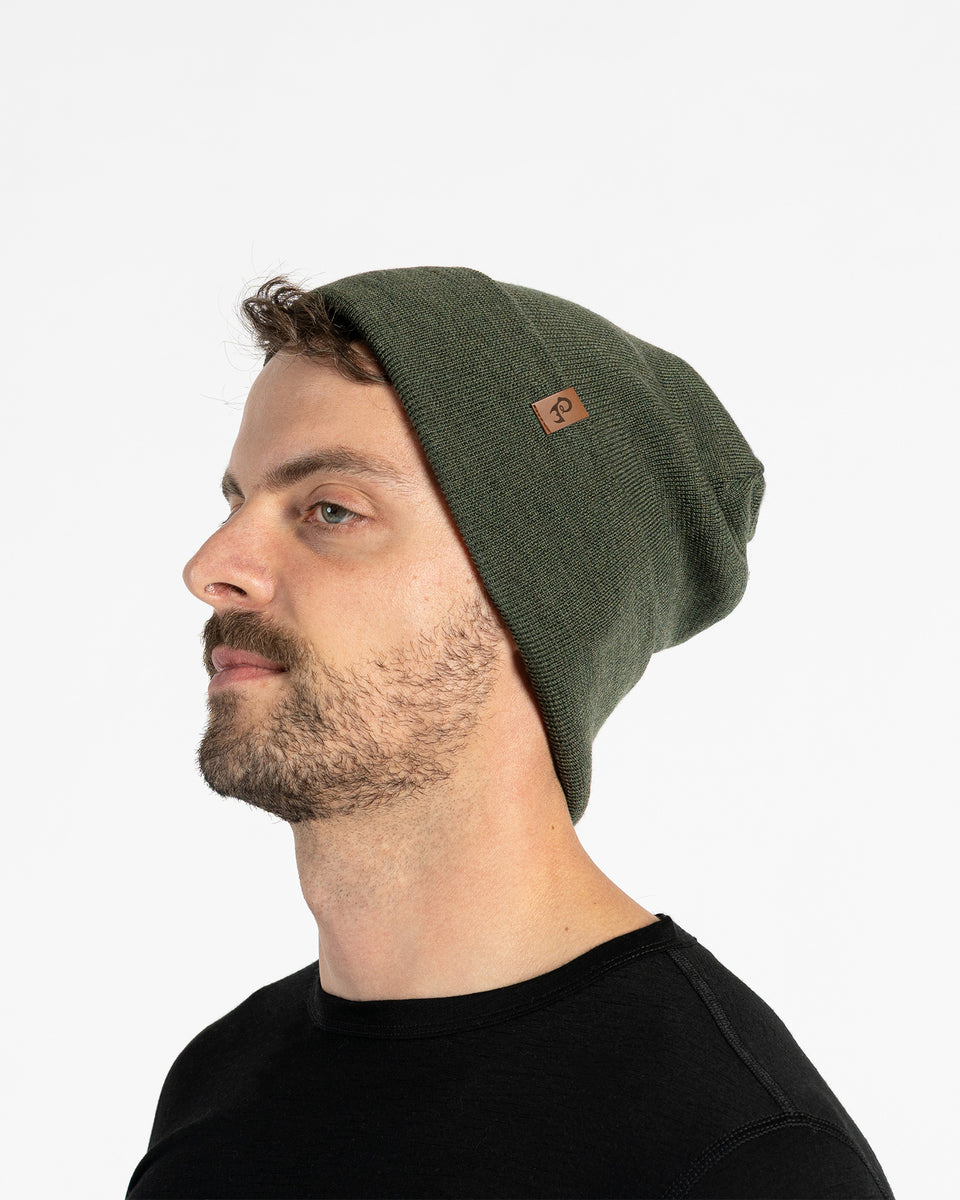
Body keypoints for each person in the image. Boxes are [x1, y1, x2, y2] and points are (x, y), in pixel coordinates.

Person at [125, 266, 893, 1199]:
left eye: (330, 510)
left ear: (535, 602)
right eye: (234, 503)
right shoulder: (221, 1082)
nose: (212, 566)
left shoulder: (739, 1156)